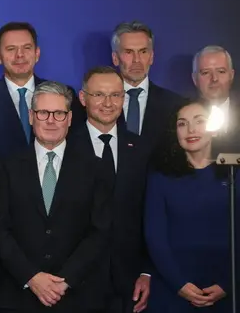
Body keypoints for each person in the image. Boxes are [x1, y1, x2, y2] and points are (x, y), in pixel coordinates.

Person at [0, 81, 111, 312]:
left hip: (76, 295)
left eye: (59, 113)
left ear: (70, 118)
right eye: (44, 113)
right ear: (32, 116)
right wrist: (31, 277)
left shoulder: (95, 168)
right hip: (18, 295)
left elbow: (99, 232)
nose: (51, 120)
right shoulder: (7, 167)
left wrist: (64, 280)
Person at [144, 99, 233, 312]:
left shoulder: (233, 172)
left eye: (199, 121)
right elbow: (154, 236)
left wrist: (228, 283)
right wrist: (179, 284)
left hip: (226, 287)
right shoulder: (160, 176)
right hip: (172, 288)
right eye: (182, 123)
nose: (191, 129)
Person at [75, 66, 150, 312]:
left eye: (116, 95)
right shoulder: (63, 148)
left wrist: (146, 272)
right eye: (99, 95)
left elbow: (149, 215)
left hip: (128, 282)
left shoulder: (142, 149)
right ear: (83, 98)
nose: (108, 103)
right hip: (75, 282)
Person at [0, 22, 84, 168]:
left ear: (37, 53)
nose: (19, 55)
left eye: (27, 48)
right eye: (11, 49)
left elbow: (77, 148)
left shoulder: (63, 94)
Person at [111, 21, 185, 158]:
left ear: (151, 57)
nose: (137, 60)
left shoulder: (175, 104)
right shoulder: (99, 104)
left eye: (143, 52)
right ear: (115, 58)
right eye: (128, 52)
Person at [192, 45, 235, 130]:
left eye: (221, 71)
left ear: (231, 75)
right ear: (195, 79)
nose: (214, 78)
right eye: (205, 73)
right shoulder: (181, 116)